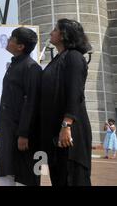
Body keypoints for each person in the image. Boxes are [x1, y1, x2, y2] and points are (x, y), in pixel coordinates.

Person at [40, 18, 92, 186]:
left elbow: (74, 93)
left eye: (55, 29)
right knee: (59, 178)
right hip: (57, 131)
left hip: (70, 131)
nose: (51, 33)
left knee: (72, 178)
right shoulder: (58, 58)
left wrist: (66, 124)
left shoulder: (74, 58)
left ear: (63, 35)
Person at [0, 28, 41, 186]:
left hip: (21, 135)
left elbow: (32, 103)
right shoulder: (14, 65)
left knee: (26, 175)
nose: (8, 40)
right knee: (6, 171)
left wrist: (24, 133)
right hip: (8, 132)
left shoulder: (31, 68)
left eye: (12, 38)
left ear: (20, 46)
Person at [0, 33, 11, 128]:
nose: (4, 42)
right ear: (0, 41)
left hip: (12, 81)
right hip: (1, 78)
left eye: (5, 40)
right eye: (2, 40)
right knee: (1, 98)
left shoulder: (11, 52)